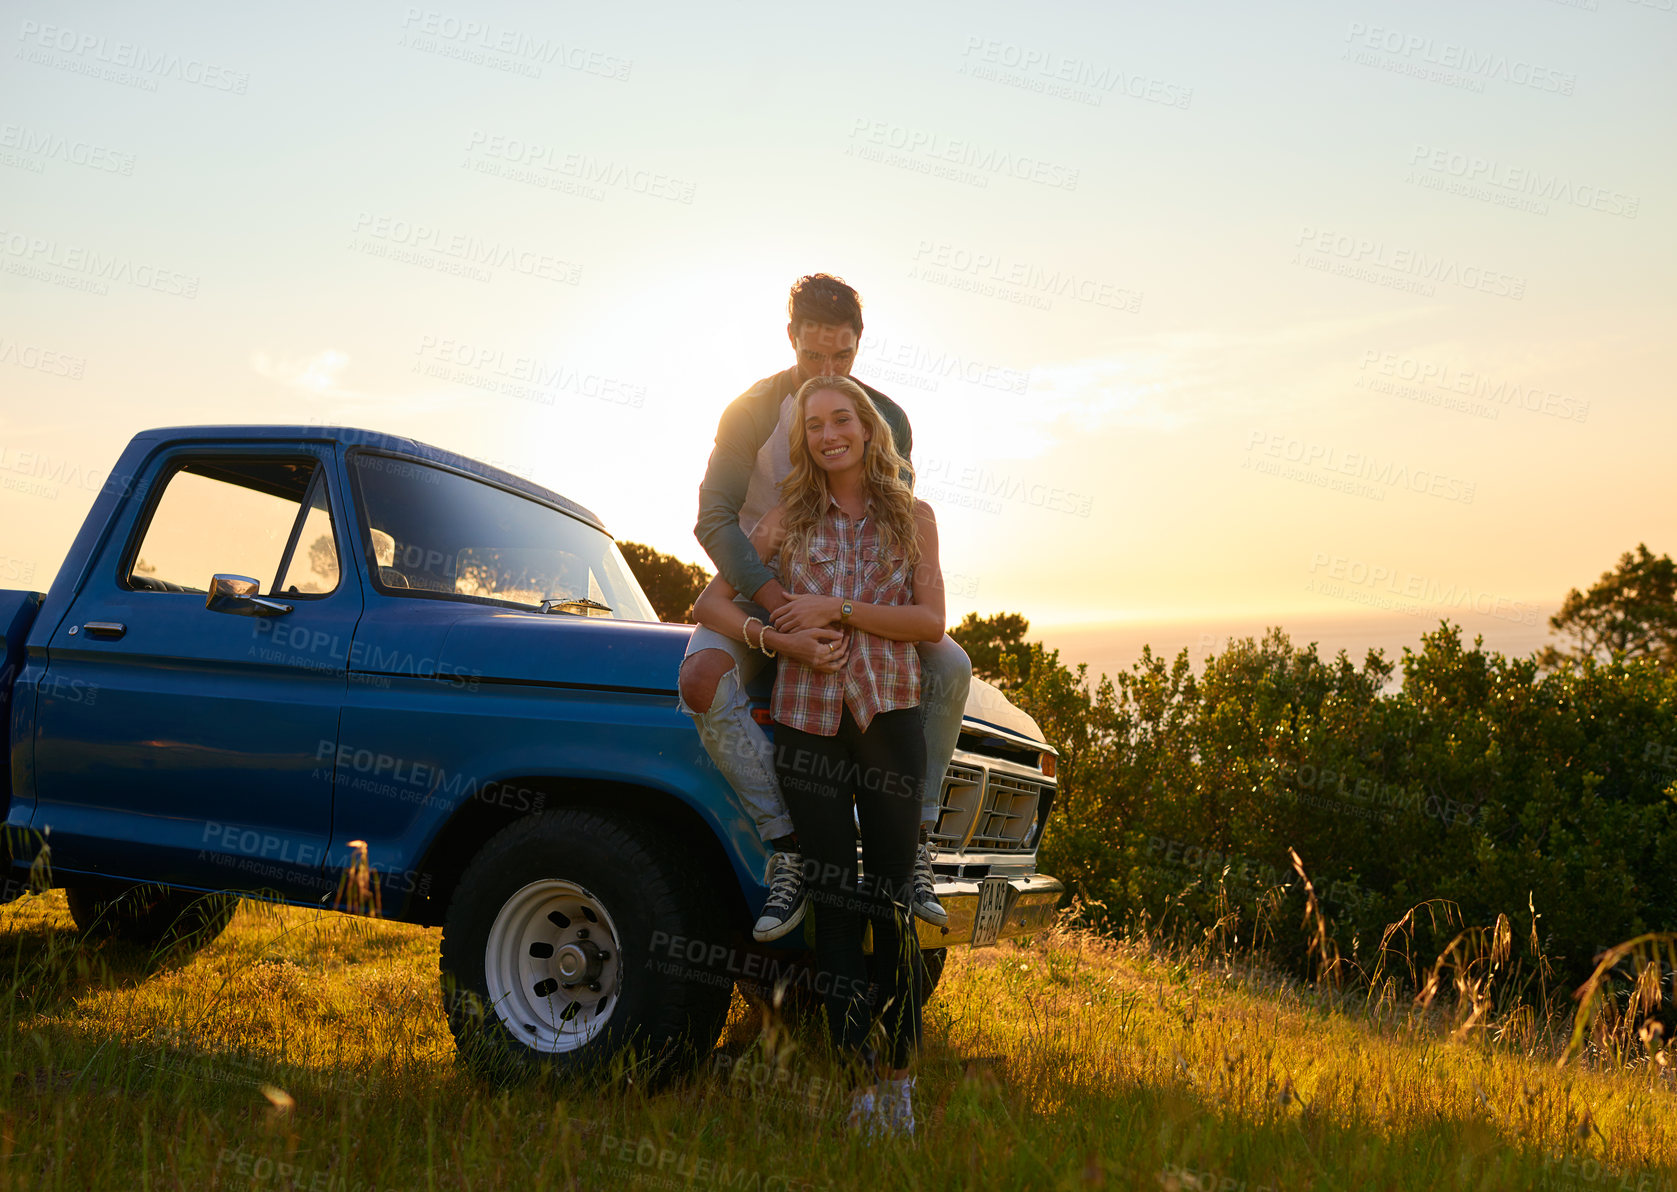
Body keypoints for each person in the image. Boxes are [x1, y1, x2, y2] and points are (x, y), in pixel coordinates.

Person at [679, 274, 973, 942]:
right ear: (791, 341)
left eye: (841, 357)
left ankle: (913, 841)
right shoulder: (749, 410)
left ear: (857, 346)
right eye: (814, 356)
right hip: (763, 592)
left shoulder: (884, 416)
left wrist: (839, 612)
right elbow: (713, 518)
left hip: (851, 606)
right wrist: (781, 608)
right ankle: (789, 847)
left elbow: (892, 530)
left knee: (952, 668)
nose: (827, 370)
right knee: (699, 680)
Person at [692, 374, 940, 1135]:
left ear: (868, 429)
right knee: (833, 906)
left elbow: (930, 621)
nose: (829, 433)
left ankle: (898, 1078)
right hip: (809, 724)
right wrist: (782, 638)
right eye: (814, 425)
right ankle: (856, 1085)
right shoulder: (782, 518)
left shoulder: (914, 517)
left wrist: (835, 609)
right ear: (802, 440)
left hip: (890, 721)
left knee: (893, 899)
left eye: (842, 420)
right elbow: (708, 604)